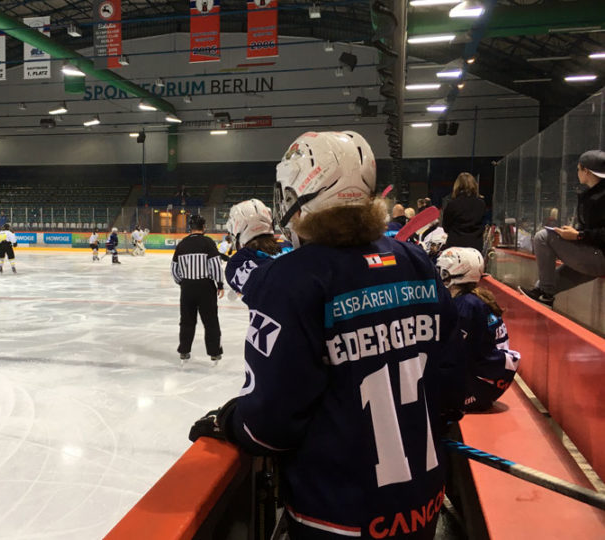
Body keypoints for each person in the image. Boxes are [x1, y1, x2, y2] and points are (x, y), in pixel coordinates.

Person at [189, 131, 464, 540]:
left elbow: (269, 423)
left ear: (299, 193)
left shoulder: (291, 278)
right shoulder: (416, 262)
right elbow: (450, 379)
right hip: (422, 506)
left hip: (336, 516)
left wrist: (228, 422)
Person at [437, 247, 521, 412]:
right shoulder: (471, 299)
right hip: (490, 376)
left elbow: (453, 355)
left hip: (483, 383)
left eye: (443, 272)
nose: (439, 276)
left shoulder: (466, 306)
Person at [520, 150, 605, 307]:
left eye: (579, 169)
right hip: (592, 254)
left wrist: (579, 236)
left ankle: (546, 294)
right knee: (541, 286)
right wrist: (572, 234)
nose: (577, 172)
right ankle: (544, 295)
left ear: (587, 171)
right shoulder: (590, 195)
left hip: (599, 257)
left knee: (542, 237)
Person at [171, 214, 225, 364]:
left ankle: (184, 351)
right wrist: (220, 284)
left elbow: (174, 269)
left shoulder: (181, 244)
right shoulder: (208, 242)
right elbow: (215, 265)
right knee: (210, 321)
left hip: (187, 287)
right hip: (205, 287)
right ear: (204, 227)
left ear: (190, 228)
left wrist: (183, 283)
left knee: (187, 321)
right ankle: (214, 353)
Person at [441, 173, 486, 252]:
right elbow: (483, 225)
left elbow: (446, 228)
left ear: (457, 186)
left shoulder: (452, 204)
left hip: (455, 247)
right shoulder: (481, 204)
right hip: (475, 248)